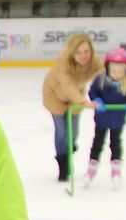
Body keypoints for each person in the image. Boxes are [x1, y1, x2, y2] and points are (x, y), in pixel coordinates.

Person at [42, 32, 101, 182]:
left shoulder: (95, 61)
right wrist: (83, 102)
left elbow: (107, 75)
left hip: (76, 95)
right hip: (54, 95)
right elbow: (68, 86)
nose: (83, 56)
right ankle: (63, 166)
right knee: (62, 132)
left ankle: (68, 149)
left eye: (86, 51)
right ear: (72, 52)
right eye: (78, 52)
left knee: (73, 133)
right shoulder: (63, 63)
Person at [85, 46, 126, 188]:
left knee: (115, 143)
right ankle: (91, 170)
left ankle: (116, 171)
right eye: (114, 71)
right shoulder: (100, 79)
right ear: (107, 68)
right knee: (97, 143)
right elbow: (93, 92)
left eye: (120, 71)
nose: (117, 74)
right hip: (102, 118)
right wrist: (97, 100)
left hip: (118, 118)